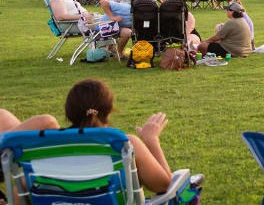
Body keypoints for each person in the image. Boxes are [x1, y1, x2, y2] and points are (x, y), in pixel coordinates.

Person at [0, 79, 187, 195]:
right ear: (109, 111)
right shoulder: (126, 144)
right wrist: (151, 139)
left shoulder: (45, 148)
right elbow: (164, 186)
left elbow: (17, 201)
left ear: (68, 112)